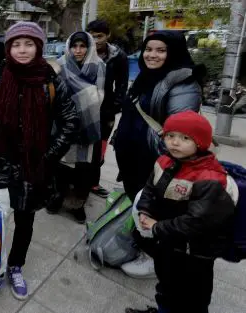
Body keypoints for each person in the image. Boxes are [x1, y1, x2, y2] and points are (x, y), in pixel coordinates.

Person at [0, 22, 79, 304]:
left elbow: (70, 121)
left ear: (39, 47)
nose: (22, 50)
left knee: (25, 221)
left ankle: (15, 266)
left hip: (35, 166)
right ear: (8, 48)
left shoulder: (51, 80)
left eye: (28, 44)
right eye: (16, 44)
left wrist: (49, 155)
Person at [125, 111, 238, 313]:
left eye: (185, 138)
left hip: (194, 253)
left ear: (200, 142)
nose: (175, 143)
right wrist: (145, 210)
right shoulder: (164, 162)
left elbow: (197, 222)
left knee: (192, 298)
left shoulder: (210, 179)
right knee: (166, 285)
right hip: (169, 243)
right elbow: (150, 189)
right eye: (170, 136)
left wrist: (157, 227)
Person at [114, 31, 203, 279]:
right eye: (148, 49)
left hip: (156, 162)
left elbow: (180, 133)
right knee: (139, 201)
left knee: (154, 208)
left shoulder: (183, 84)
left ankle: (153, 258)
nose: (152, 55)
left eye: (160, 50)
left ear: (172, 53)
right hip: (134, 156)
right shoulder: (146, 76)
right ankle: (144, 244)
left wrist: (164, 168)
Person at [48, 31, 106, 223]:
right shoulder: (60, 65)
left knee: (83, 169)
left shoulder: (99, 66)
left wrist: (82, 98)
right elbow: (53, 93)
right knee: (61, 165)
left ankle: (77, 205)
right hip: (63, 124)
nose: (78, 50)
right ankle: (58, 197)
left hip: (88, 125)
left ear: (89, 47)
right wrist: (84, 96)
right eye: (74, 46)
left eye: (82, 46)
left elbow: (99, 96)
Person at [87, 19, 129, 198]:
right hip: (83, 107)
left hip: (105, 111)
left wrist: (114, 107)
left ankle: (93, 183)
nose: (96, 40)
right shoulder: (80, 51)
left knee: (99, 150)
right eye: (92, 36)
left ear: (108, 35)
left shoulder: (118, 56)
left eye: (100, 36)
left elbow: (122, 85)